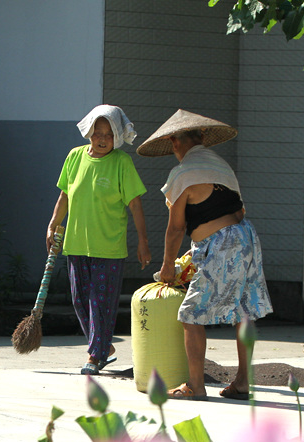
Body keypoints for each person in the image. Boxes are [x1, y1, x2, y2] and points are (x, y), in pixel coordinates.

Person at [137, 109, 272, 400]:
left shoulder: (183, 173)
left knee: (190, 315)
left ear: (175, 142)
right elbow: (235, 210)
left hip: (220, 244)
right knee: (244, 313)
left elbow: (175, 229)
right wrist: (200, 247)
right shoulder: (221, 165)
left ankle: (195, 386)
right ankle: (243, 382)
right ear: (202, 138)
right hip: (245, 237)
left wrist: (168, 267)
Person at [46, 104, 151, 375]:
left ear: (117, 136)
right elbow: (64, 195)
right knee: (80, 300)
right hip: (76, 243)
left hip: (109, 247)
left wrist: (142, 241)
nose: (102, 139)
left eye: (108, 134)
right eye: (97, 132)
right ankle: (104, 345)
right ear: (89, 132)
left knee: (100, 302)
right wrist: (53, 224)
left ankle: (96, 355)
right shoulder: (74, 157)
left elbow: (135, 204)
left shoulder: (121, 163)